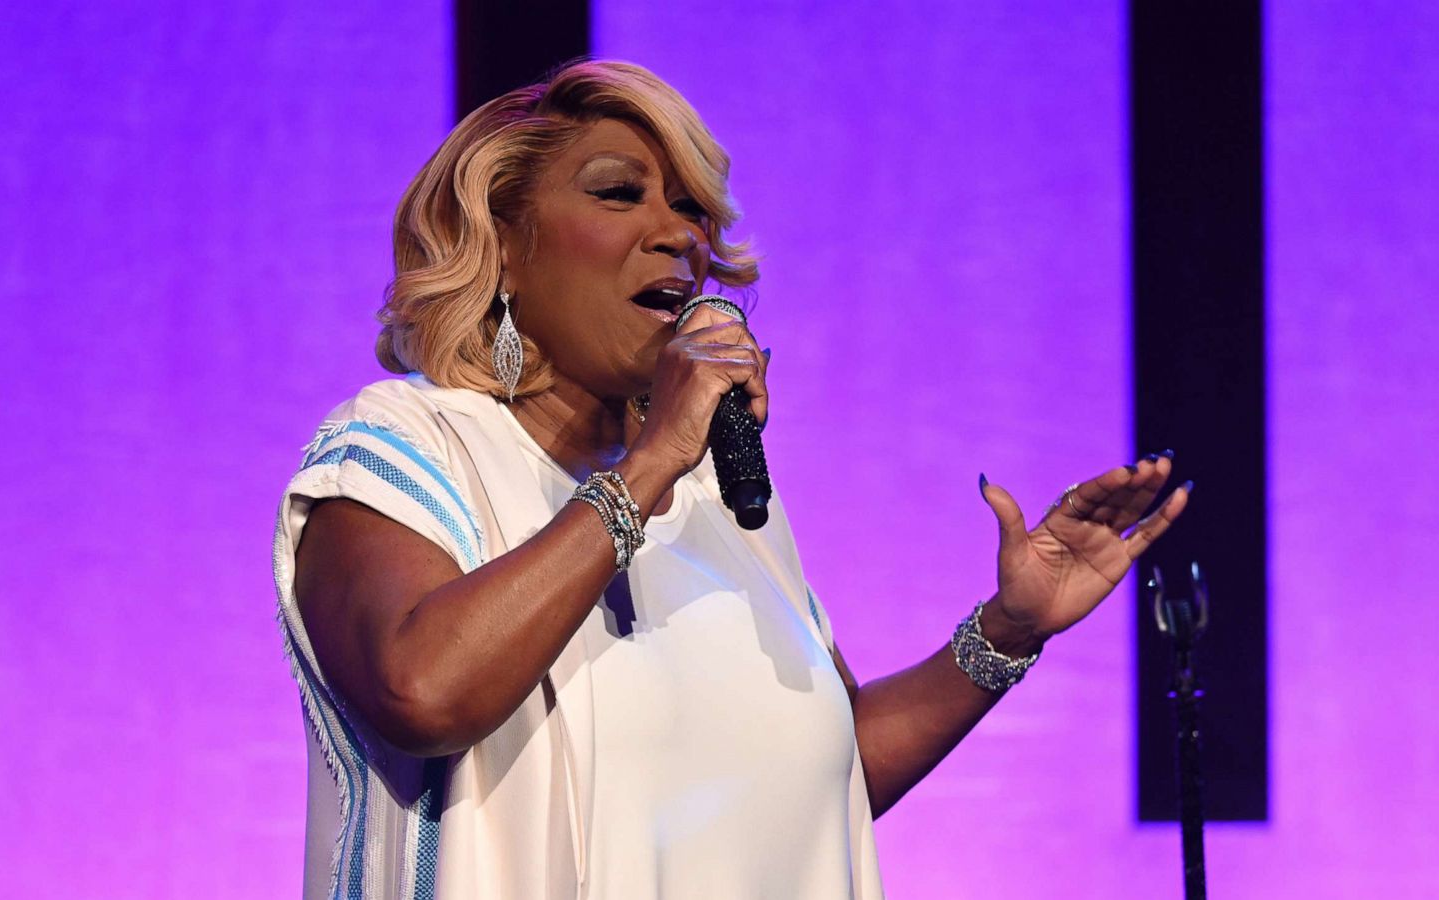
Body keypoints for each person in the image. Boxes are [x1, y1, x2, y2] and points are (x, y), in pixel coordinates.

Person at [270, 59, 1190, 900]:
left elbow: (825, 772)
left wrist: (1008, 632)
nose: (676, 234)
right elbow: (421, 691)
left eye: (690, 210)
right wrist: (650, 469)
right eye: (621, 194)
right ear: (504, 245)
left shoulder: (718, 495)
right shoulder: (402, 448)